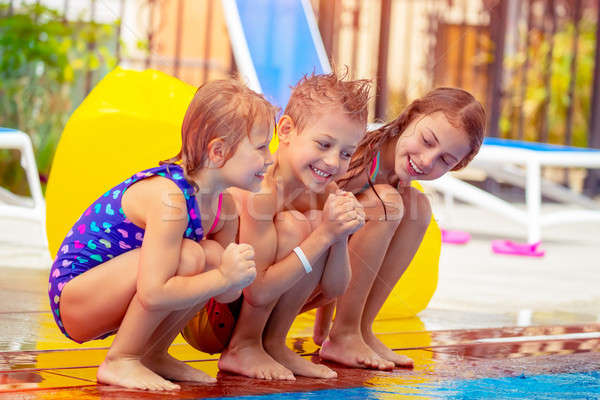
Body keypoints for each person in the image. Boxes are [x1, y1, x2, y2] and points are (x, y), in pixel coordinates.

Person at [48, 79, 279, 390]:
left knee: (208, 256)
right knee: (191, 255)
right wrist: (224, 278)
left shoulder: (225, 207)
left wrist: (234, 278)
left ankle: (152, 353)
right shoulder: (168, 196)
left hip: (117, 293)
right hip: (76, 298)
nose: (270, 158)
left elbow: (224, 293)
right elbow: (154, 293)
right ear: (219, 151)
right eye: (261, 146)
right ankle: (121, 360)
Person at [214, 72, 371, 380]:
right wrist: (324, 233)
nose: (332, 161)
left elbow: (333, 290)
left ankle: (272, 342)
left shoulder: (325, 194)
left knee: (312, 222)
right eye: (324, 144)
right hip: (214, 308)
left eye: (346, 153)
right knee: (294, 225)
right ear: (286, 130)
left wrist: (337, 236)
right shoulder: (258, 189)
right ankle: (244, 346)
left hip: (253, 301)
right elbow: (256, 291)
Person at [316, 87, 486, 370]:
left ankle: (360, 328)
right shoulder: (359, 159)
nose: (427, 160)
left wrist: (321, 334)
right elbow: (315, 223)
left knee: (418, 207)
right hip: (290, 272)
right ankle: (345, 332)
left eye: (445, 160)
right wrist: (326, 328)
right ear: (411, 115)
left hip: (327, 265)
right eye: (427, 140)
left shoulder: (396, 177)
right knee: (388, 203)